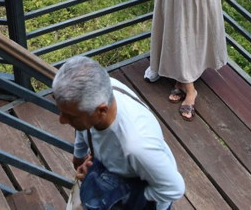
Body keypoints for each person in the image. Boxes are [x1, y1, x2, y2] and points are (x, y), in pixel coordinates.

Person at [53, 56, 184, 210]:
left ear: (101, 110)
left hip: (142, 188)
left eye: (70, 116)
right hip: (116, 167)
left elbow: (173, 189)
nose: (61, 120)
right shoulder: (103, 90)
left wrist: (130, 198)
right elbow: (85, 128)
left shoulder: (138, 146)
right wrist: (79, 155)